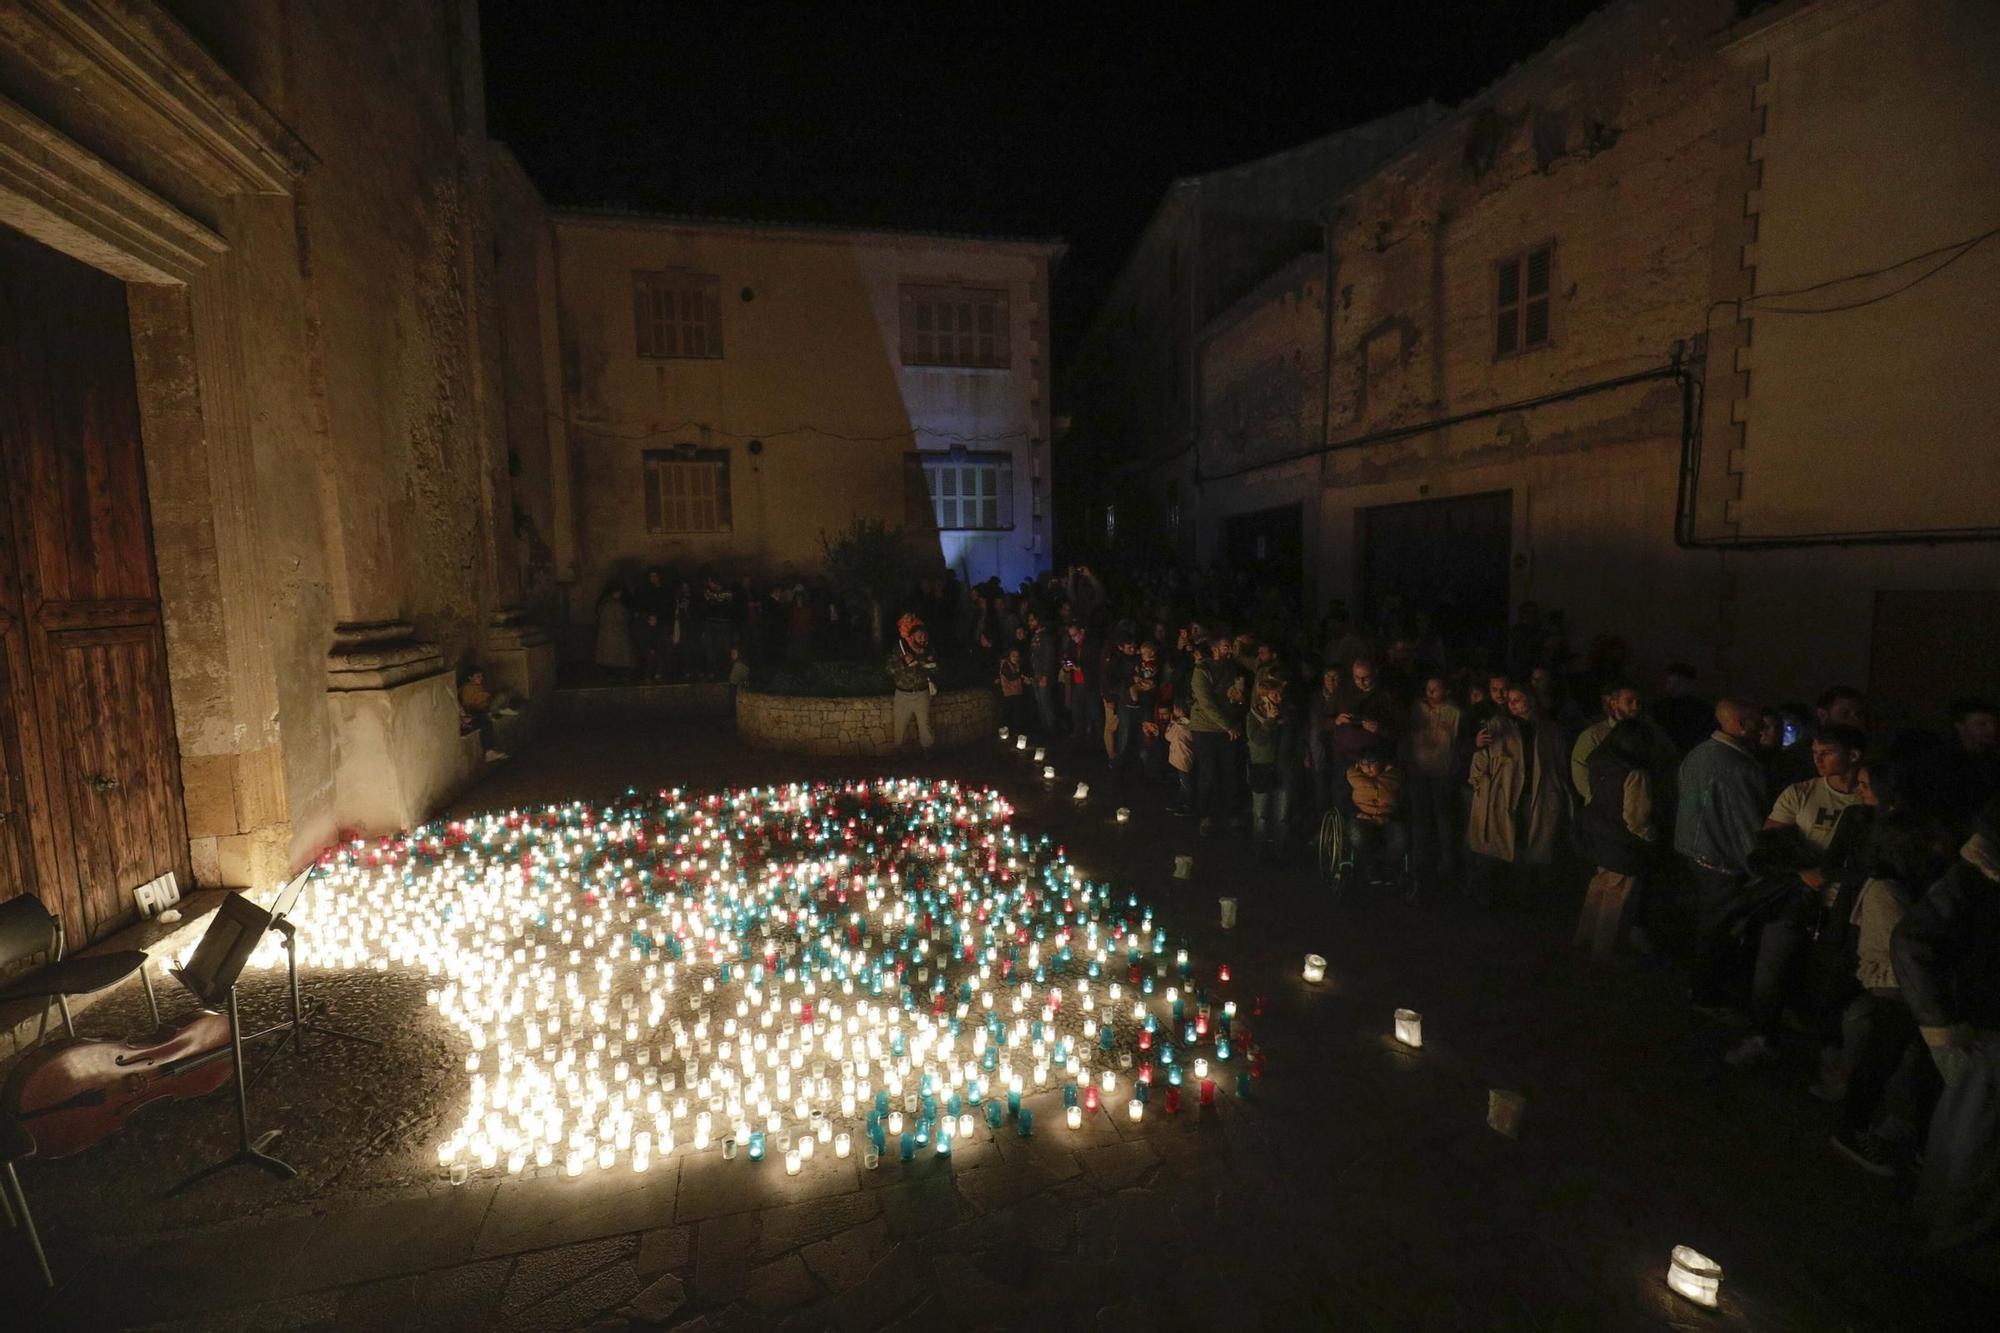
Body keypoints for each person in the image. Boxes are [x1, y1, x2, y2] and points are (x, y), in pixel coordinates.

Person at [1722, 723, 1869, 1068]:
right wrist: (1801, 870)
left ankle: (1829, 1051)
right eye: (1814, 752)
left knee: (1832, 979)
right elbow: (1771, 844)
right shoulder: (1801, 792)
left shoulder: (1868, 796)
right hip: (1796, 897)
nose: (1817, 759)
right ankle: (1763, 1035)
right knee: (1771, 967)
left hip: (1846, 906)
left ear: (1853, 755)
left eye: (1826, 752)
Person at [1892, 799, 2000, 1255]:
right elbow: (1911, 942)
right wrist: (1943, 1025)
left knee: (1972, 1138)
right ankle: (1948, 1242)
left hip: (1979, 1025)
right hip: (1981, 1029)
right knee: (1972, 1142)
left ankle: (1947, 1234)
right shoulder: (1977, 878)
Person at [1828, 812, 1946, 1176]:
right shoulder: (1886, 891)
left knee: (1891, 1059)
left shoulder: (1895, 886)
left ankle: (1877, 1124)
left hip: (1898, 983)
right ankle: (1852, 1128)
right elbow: (1902, 948)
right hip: (1893, 985)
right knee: (1882, 1059)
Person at [1676, 698, 1769, 1019]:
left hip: (1695, 851)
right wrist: (1759, 868)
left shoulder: (1699, 753)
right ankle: (1705, 994)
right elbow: (1748, 828)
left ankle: (1702, 987)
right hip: (1721, 860)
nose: (1764, 729)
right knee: (1716, 931)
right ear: (1740, 724)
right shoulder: (1737, 767)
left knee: (1707, 926)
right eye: (1758, 723)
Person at [1465, 684, 1570, 908]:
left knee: (1529, 846)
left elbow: (1558, 764)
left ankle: (1523, 896)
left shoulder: (1549, 730)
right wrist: (1479, 753)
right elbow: (1481, 763)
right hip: (1502, 795)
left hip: (1537, 797)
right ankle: (1491, 896)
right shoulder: (1498, 726)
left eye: (1517, 699)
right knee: (1497, 845)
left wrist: (1558, 793)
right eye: (1509, 700)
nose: (1511, 703)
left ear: (1530, 700)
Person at [1575, 717, 1658, 961]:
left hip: (1598, 834)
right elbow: (1636, 817)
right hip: (1622, 843)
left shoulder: (1599, 761)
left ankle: (1584, 937)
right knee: (1617, 899)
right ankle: (1602, 952)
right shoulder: (1634, 773)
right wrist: (1650, 838)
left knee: (1599, 887)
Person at [1404, 675, 1468, 891]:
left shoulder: (1455, 713)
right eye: (1428, 688)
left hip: (1443, 773)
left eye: (1436, 689)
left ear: (1446, 691)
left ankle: (1447, 863)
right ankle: (1418, 864)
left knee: (1444, 819)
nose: (1431, 693)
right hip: (1418, 772)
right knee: (1420, 820)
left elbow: (1459, 742)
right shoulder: (1416, 709)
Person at [1910, 697, 2000, 837]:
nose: (1991, 729)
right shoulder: (1938, 762)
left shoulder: (1992, 762)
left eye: (1993, 724)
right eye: (1981, 724)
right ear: (1960, 726)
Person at [1188, 631, 1245, 839]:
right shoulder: (1202, 670)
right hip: (1205, 728)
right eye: (1224, 646)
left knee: (1230, 771)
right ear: (1214, 649)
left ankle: (1232, 813)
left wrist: (1238, 704)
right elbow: (1206, 703)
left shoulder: (1233, 668)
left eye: (1230, 646)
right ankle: (1205, 815)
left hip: (1229, 727)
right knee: (1209, 773)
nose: (1229, 650)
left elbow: (1237, 697)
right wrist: (1228, 725)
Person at [1245, 673, 1301, 862]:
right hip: (1262, 767)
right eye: (1275, 695)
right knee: (1261, 814)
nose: (1280, 698)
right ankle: (1259, 851)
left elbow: (1294, 737)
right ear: (1264, 696)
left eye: (1280, 694)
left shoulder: (1288, 712)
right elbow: (1258, 740)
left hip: (1284, 767)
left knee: (1282, 813)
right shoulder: (1253, 716)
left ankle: (1280, 850)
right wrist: (1269, 721)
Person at [1347, 744, 1409, 889]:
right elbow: (1341, 799)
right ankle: (1371, 868)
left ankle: (1389, 869)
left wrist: (1390, 816)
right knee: (1360, 836)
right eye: (1364, 764)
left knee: (1400, 837)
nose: (1368, 768)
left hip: (1387, 818)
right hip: (1362, 817)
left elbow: (1403, 802)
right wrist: (1357, 813)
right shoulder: (1352, 777)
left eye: (1373, 763)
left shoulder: (1395, 778)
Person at [886, 612, 939, 752]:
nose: (923, 639)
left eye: (924, 636)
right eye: (919, 636)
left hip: (921, 692)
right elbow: (889, 669)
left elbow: (935, 671)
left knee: (924, 724)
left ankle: (928, 750)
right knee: (899, 725)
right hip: (902, 693)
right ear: (911, 636)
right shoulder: (900, 650)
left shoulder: (928, 651)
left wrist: (931, 664)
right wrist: (904, 662)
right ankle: (898, 750)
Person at [1656, 662, 1714, 756]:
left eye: (1678, 683)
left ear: (1690, 684)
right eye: (1669, 682)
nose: (1671, 688)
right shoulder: (1659, 707)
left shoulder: (1702, 710)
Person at [594, 585, 636, 682]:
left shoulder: (603, 604)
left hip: (606, 634)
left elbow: (599, 617)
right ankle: (619, 676)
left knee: (608, 658)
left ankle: (610, 676)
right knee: (620, 657)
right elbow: (625, 618)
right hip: (618, 633)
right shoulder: (618, 605)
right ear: (617, 593)